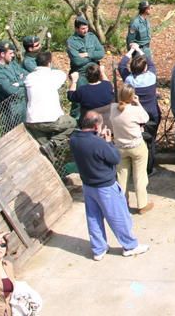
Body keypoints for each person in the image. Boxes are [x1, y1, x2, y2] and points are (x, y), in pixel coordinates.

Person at [68, 111, 149, 260]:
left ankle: (98, 249)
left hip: (88, 185)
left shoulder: (74, 139)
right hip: (105, 185)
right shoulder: (98, 143)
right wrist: (108, 142)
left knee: (93, 217)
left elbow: (90, 148)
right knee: (118, 216)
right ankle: (130, 245)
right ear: (96, 126)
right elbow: (115, 158)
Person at [23, 51, 76, 160]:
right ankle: (53, 143)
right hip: (50, 120)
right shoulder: (55, 75)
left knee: (46, 154)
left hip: (32, 121)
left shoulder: (29, 77)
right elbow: (62, 74)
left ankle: (52, 157)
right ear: (49, 63)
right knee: (72, 123)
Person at [110, 83, 151, 213]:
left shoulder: (113, 108)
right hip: (136, 146)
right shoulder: (134, 110)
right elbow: (146, 118)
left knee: (121, 176)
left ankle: (122, 203)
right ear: (132, 96)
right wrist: (137, 103)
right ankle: (142, 204)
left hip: (120, 147)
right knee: (140, 176)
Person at [118, 50, 160, 174]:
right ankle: (149, 168)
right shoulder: (151, 77)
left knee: (136, 140)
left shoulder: (129, 80)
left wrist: (130, 51)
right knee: (150, 141)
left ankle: (134, 167)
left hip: (134, 115)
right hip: (152, 114)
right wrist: (140, 51)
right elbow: (151, 64)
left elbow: (121, 66)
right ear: (145, 68)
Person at [66, 17, 105, 87]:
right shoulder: (71, 41)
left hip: (95, 70)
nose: (86, 30)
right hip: (81, 72)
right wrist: (93, 57)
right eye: (83, 29)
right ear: (76, 29)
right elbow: (77, 61)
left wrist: (87, 54)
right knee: (82, 94)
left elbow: (101, 53)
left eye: (86, 28)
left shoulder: (92, 37)